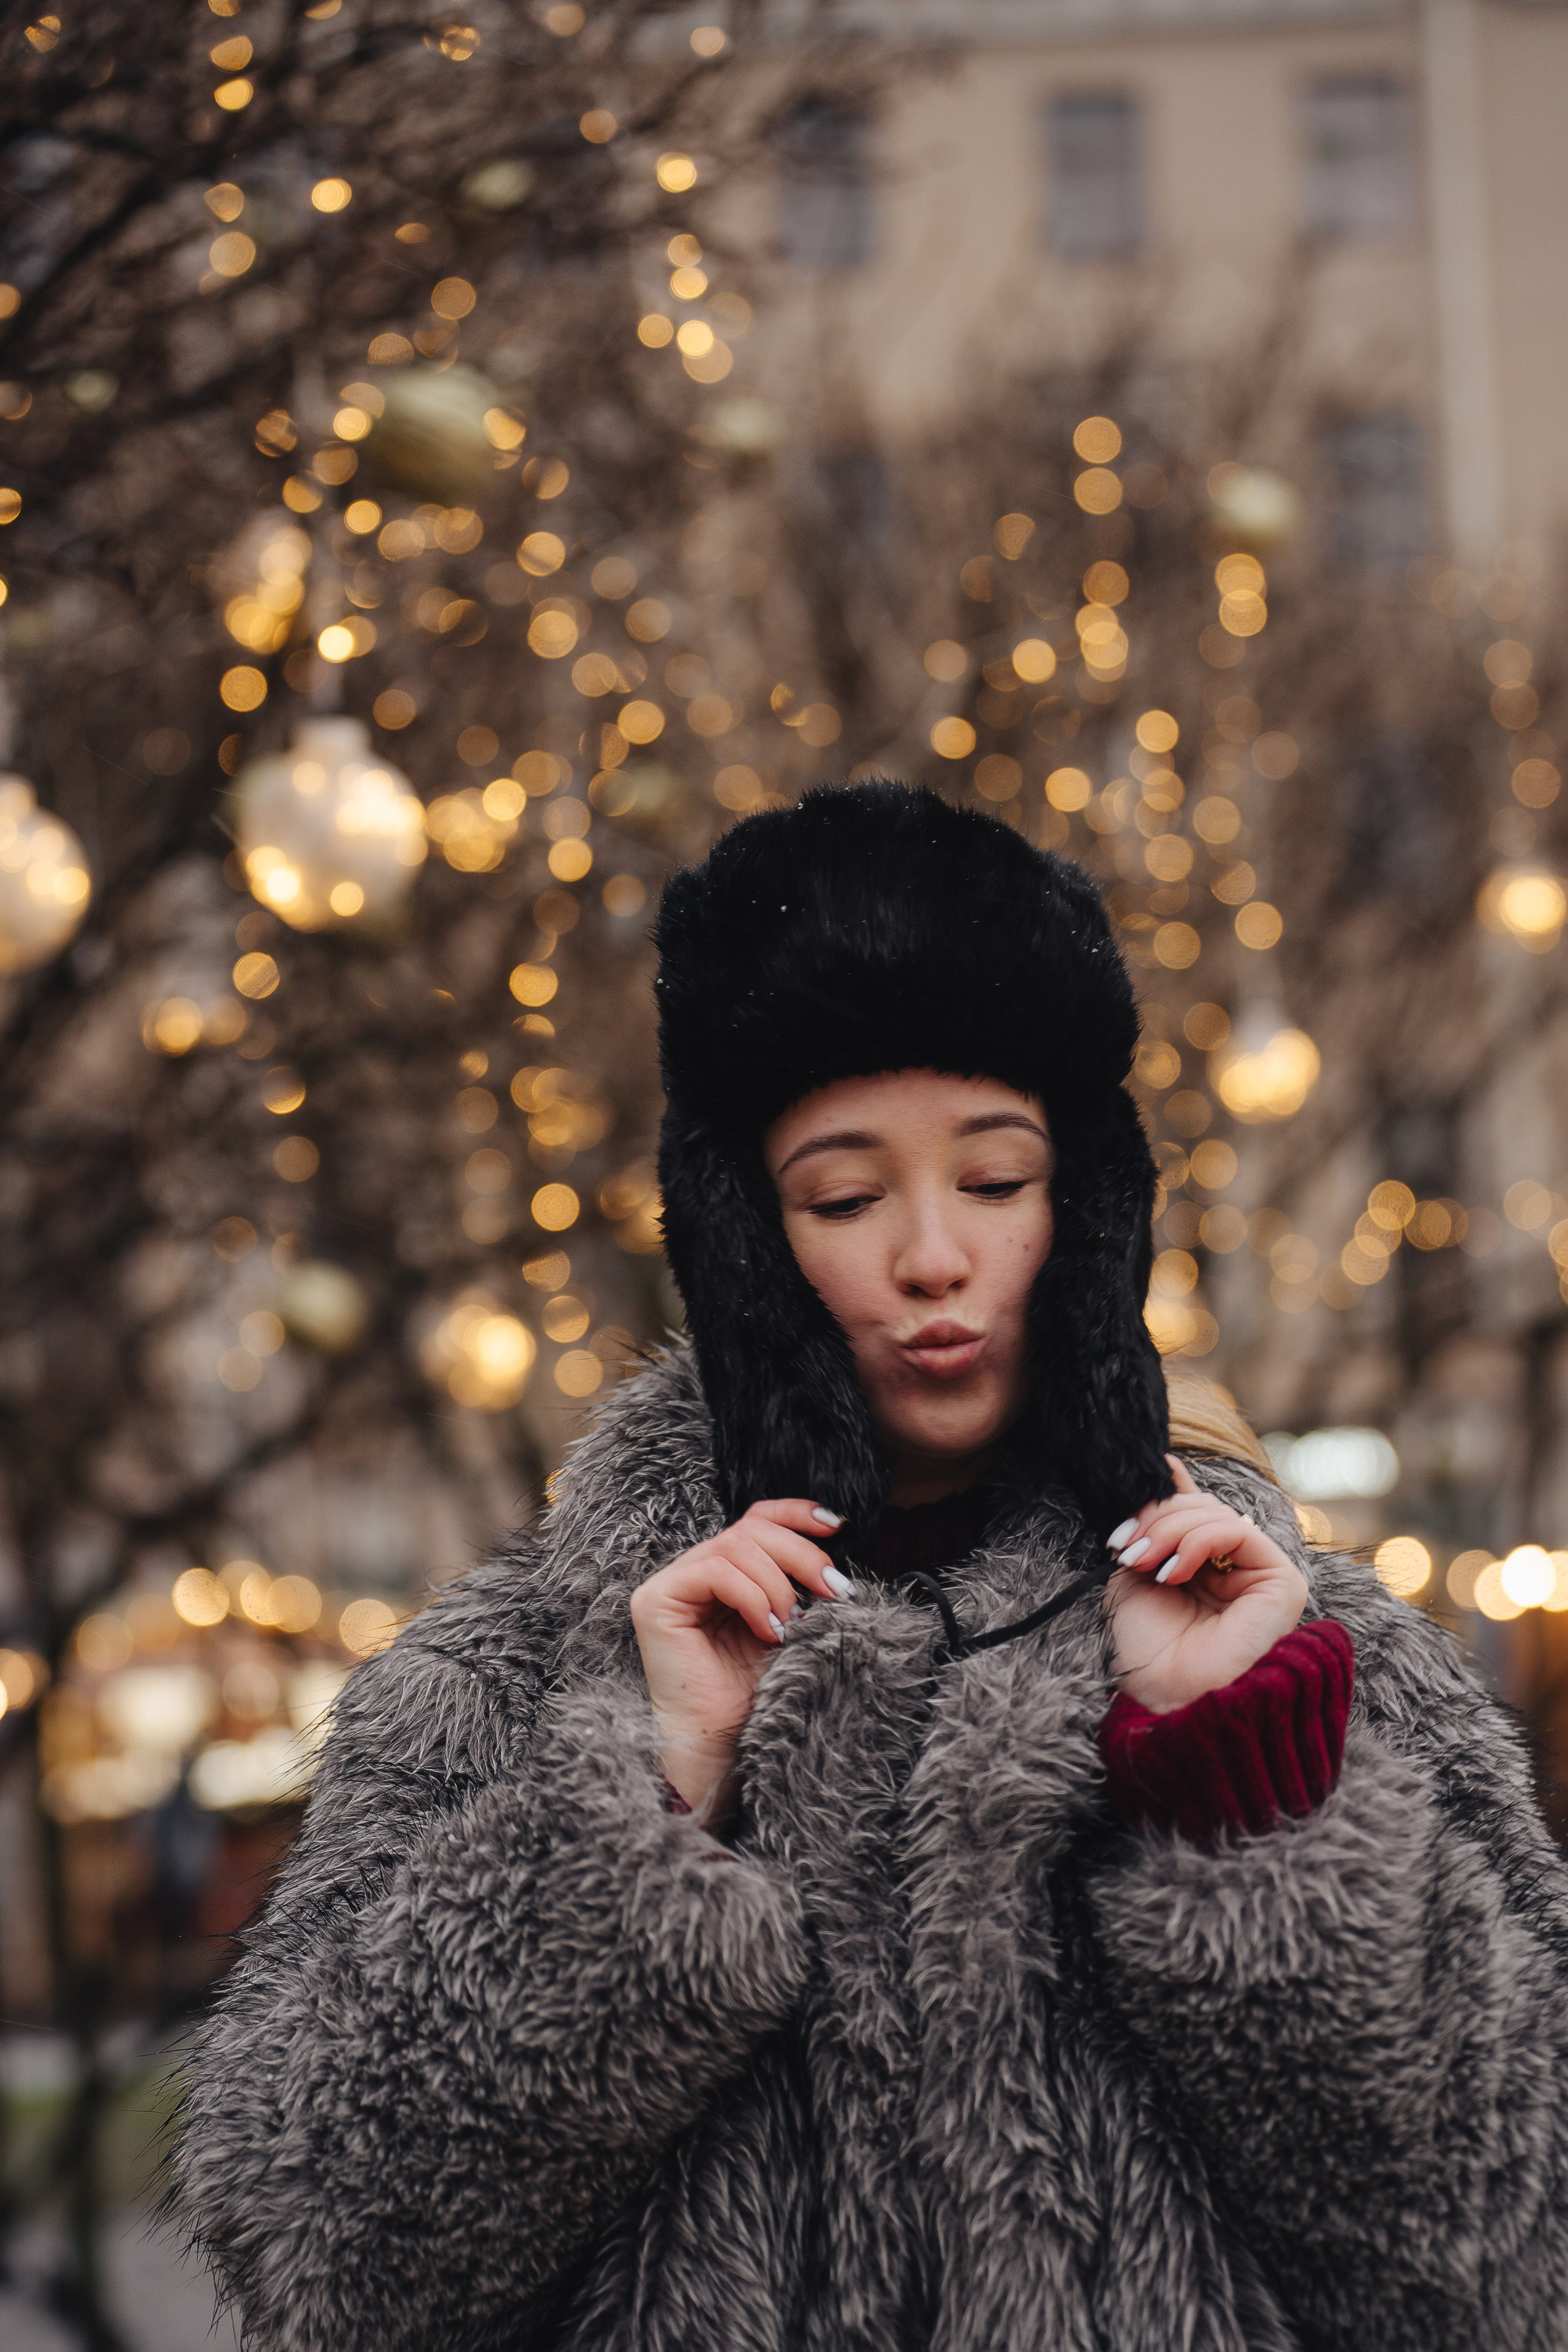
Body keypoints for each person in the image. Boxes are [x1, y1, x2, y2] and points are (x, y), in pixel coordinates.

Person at [178, 783, 1568, 2351]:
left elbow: (1495, 2264)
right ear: (748, 1241)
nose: (931, 1256)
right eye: (846, 1197)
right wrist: (647, 1803)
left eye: (994, 1181)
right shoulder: (505, 1680)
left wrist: (1243, 1792)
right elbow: (329, 2266)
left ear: (1086, 1210)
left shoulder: (1315, 1655)